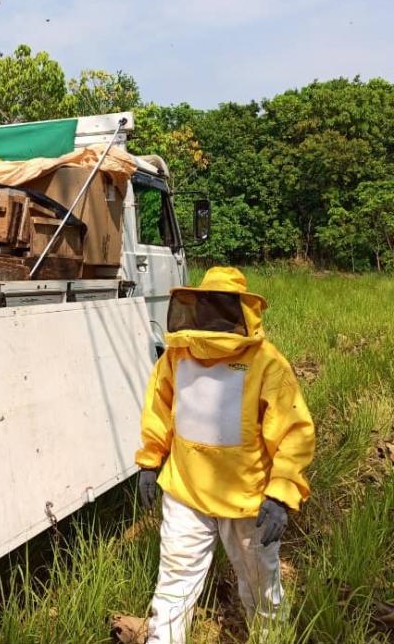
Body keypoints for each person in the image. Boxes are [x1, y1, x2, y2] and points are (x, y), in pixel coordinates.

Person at [134, 267, 315, 643]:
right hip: (186, 493)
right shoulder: (177, 356)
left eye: (222, 306)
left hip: (248, 501)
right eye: (210, 305)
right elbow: (160, 407)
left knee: (261, 585)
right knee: (175, 584)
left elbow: (292, 430)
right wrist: (150, 460)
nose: (215, 315)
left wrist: (281, 493)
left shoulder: (266, 362)